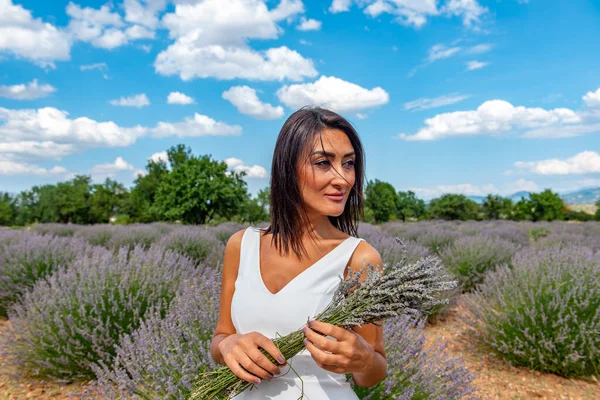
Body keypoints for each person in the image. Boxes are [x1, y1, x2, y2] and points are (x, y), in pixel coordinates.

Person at [210, 107, 387, 399]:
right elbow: (221, 336)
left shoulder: (359, 259)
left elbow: (373, 371)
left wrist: (364, 359)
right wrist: (228, 346)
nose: (342, 179)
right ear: (287, 168)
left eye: (349, 163)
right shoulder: (241, 246)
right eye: (323, 163)